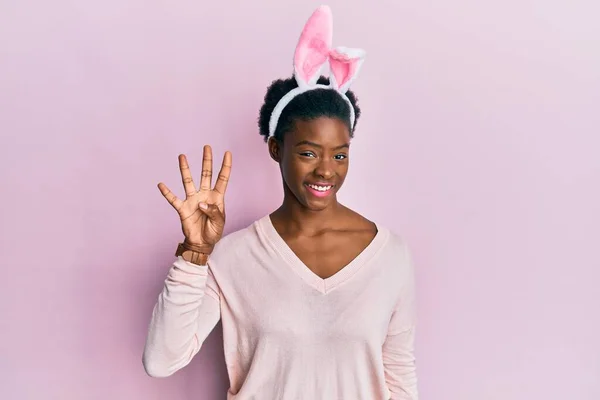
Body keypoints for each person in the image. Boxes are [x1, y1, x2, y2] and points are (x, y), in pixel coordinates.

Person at [142, 5, 418, 399]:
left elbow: (401, 381)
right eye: (308, 153)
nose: (326, 170)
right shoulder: (233, 257)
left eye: (339, 155)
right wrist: (195, 254)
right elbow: (161, 360)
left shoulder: (392, 255)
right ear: (276, 148)